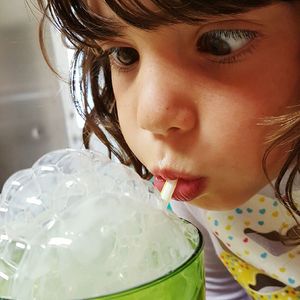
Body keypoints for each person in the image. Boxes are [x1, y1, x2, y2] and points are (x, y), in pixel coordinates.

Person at [37, 1, 300, 299]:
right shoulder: (197, 191)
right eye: (124, 54)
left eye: (220, 43)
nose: (151, 117)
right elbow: (222, 288)